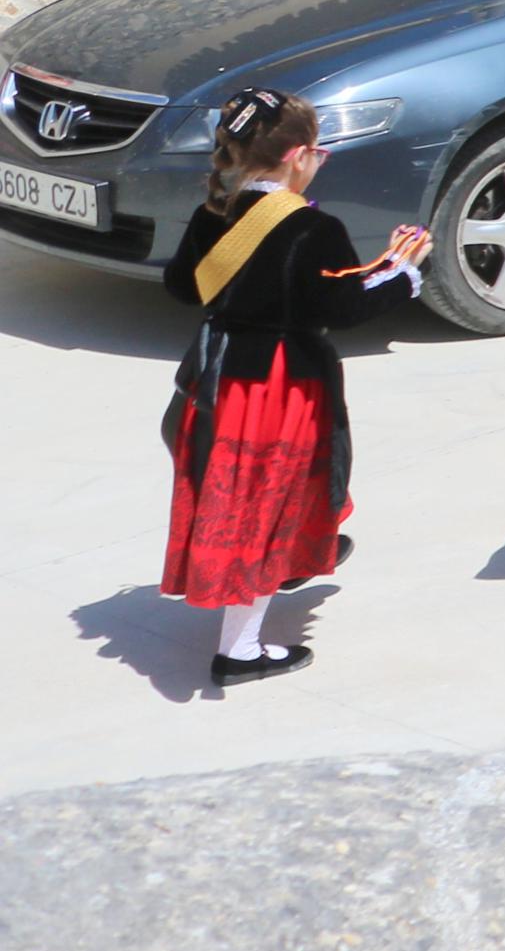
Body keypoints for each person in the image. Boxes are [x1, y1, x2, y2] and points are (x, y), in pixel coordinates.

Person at [156, 90, 431, 688]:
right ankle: (240, 650)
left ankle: (290, 561)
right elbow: (339, 307)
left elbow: (182, 286)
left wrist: (382, 268)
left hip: (219, 373)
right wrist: (404, 275)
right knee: (264, 503)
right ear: (300, 156)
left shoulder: (214, 214)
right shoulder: (315, 227)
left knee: (238, 494)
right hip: (281, 385)